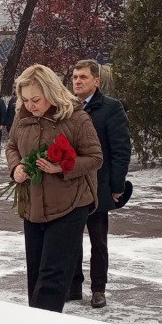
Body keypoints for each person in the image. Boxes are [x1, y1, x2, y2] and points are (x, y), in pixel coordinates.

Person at [6, 64, 103, 312]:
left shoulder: (77, 118)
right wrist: (16, 167)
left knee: (52, 275)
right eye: (26, 99)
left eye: (36, 99)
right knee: (35, 272)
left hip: (70, 205)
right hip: (33, 206)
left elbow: (95, 158)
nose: (30, 105)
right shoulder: (22, 118)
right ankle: (36, 321)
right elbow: (12, 146)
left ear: (51, 92)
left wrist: (61, 167)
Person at [67, 59, 131, 308]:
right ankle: (73, 286)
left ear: (96, 81)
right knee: (72, 239)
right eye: (75, 77)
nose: (77, 81)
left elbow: (120, 149)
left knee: (98, 242)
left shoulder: (111, 107)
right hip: (71, 185)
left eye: (83, 77)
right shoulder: (68, 106)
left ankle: (98, 289)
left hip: (99, 186)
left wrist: (117, 186)